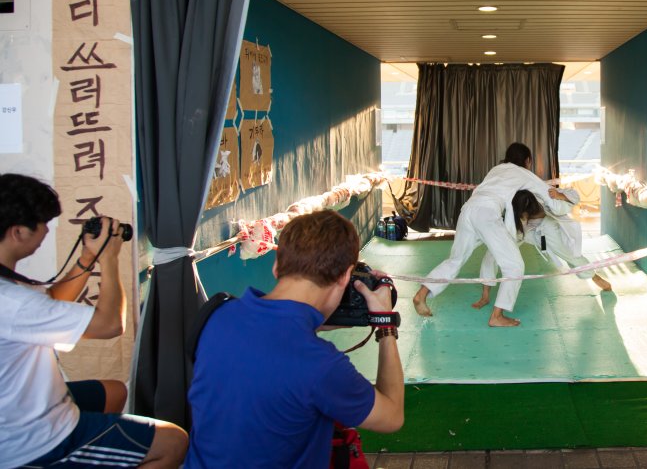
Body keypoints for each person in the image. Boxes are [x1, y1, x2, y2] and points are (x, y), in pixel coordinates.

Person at [185, 209, 404, 469]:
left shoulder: (217, 316)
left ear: (277, 265)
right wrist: (385, 325)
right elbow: (392, 416)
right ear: (345, 276)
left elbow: (267, 353)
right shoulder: (322, 364)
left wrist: (312, 325)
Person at [0, 173, 188, 468]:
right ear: (19, 232)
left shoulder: (11, 289)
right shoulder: (12, 303)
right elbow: (110, 325)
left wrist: (87, 258)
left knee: (114, 392)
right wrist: (109, 259)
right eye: (43, 224)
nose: (47, 231)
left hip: (17, 405)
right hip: (31, 439)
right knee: (174, 442)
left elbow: (51, 304)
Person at [412, 142, 570, 327]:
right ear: (528, 160)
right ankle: (497, 316)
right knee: (514, 266)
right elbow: (550, 196)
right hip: (486, 214)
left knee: (455, 260)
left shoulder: (496, 169)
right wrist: (566, 201)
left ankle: (421, 294)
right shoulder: (523, 173)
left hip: (468, 211)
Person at [473, 188, 612, 309]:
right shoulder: (510, 199)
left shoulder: (546, 196)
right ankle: (485, 295)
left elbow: (574, 196)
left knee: (569, 254)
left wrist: (560, 195)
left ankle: (594, 277)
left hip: (546, 227)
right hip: (522, 228)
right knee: (493, 253)